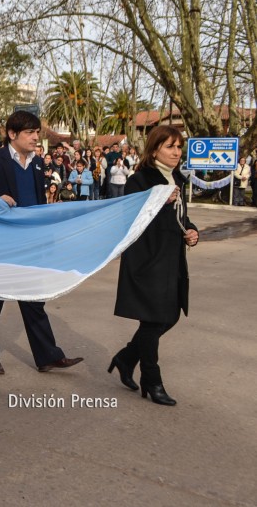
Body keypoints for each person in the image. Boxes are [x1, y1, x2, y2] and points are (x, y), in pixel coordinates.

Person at [0, 111, 84, 374]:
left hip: (30, 244)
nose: (36, 137)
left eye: (37, 132)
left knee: (34, 301)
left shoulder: (36, 163)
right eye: (30, 133)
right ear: (12, 134)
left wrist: (45, 236)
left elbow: (38, 203)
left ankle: (47, 356)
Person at [111, 125, 198, 406]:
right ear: (155, 148)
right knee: (153, 320)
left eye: (179, 146)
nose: (176, 152)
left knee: (169, 315)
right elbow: (131, 217)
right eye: (170, 146)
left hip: (171, 259)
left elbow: (182, 216)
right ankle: (152, 378)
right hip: (147, 260)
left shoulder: (176, 178)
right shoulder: (140, 179)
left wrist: (192, 230)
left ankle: (126, 358)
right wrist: (158, 201)